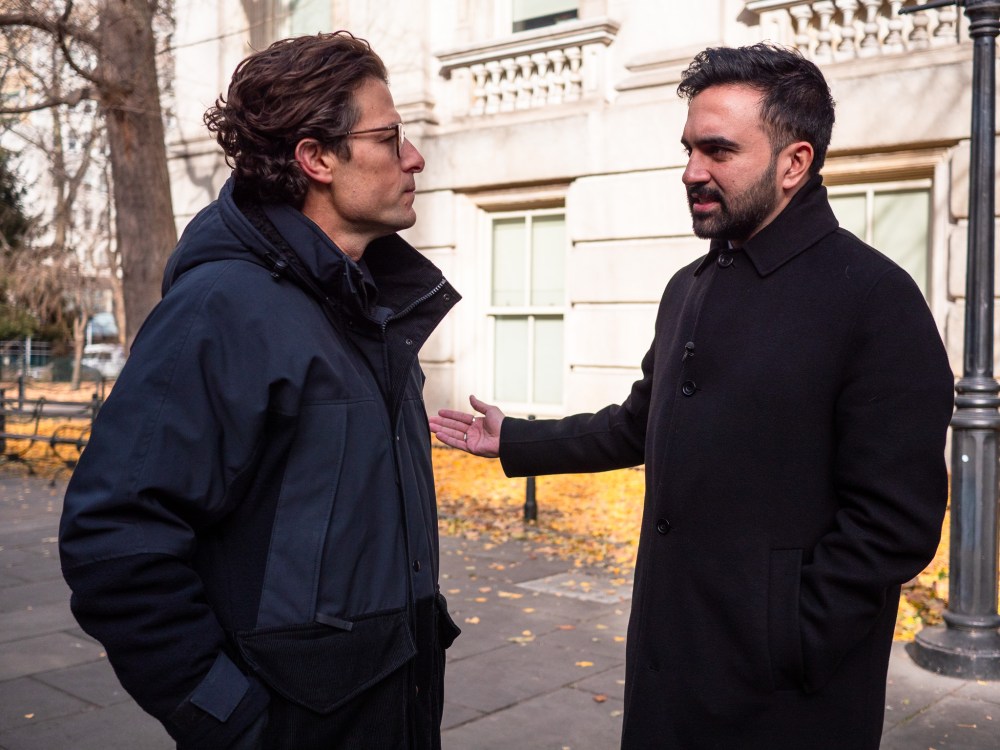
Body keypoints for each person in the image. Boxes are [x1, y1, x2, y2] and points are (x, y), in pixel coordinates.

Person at [430, 43, 954, 750]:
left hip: (787, 700)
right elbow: (640, 423)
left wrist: (789, 636)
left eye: (717, 151)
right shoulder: (690, 286)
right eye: (689, 149)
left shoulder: (875, 298)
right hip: (669, 669)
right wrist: (518, 439)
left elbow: (896, 520)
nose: (691, 172)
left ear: (794, 163)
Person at [59, 31, 460, 750]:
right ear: (317, 159)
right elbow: (113, 539)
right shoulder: (222, 309)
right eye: (390, 136)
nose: (413, 157)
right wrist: (232, 720)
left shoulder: (365, 305)